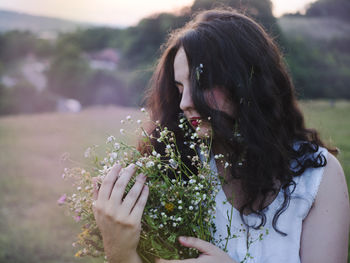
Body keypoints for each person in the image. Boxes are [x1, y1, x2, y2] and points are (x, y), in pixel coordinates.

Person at [92, 8, 350, 263]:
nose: (184, 102)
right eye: (179, 87)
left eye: (202, 83)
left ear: (247, 82)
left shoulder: (317, 177)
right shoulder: (176, 170)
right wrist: (121, 253)